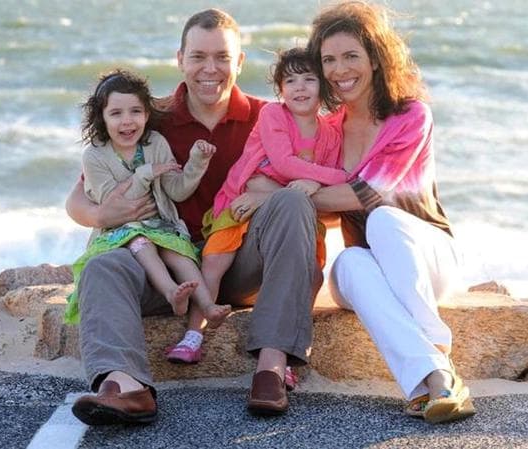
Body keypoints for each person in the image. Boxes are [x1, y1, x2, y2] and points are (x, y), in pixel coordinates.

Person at [66, 9, 320, 424]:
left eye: (222, 57)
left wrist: (266, 193)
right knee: (101, 267)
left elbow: (316, 185)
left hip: (240, 264)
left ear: (239, 63)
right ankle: (124, 384)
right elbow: (77, 199)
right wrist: (100, 212)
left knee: (292, 202)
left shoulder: (271, 116)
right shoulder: (150, 117)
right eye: (198, 56)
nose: (210, 69)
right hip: (167, 267)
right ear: (180, 58)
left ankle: (271, 366)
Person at [306, 1, 476, 424]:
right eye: (328, 60)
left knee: (381, 217)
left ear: (376, 60)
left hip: (427, 255)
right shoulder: (328, 129)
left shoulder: (410, 115)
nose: (339, 70)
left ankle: (433, 360)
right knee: (348, 261)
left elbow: (368, 193)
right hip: (370, 270)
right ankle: (439, 378)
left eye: (351, 57)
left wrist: (302, 195)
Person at [164, 47, 348, 366]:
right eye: (291, 81)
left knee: (312, 274)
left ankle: (289, 353)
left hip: (292, 216)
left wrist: (315, 183)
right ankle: (193, 335)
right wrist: (334, 176)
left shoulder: (331, 133)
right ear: (280, 89)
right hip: (238, 203)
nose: (300, 87)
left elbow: (321, 184)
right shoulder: (273, 115)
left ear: (325, 86)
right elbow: (283, 163)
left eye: (309, 79)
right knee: (214, 261)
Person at [65, 69, 231, 329]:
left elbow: (176, 191)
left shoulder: (155, 143)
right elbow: (115, 203)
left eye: (135, 111)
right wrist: (146, 173)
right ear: (102, 118)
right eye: (116, 113)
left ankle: (207, 306)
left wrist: (197, 162)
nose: (127, 121)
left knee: (179, 252)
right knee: (141, 243)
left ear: (146, 114)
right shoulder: (95, 156)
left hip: (159, 225)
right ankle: (169, 292)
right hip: (120, 231)